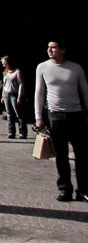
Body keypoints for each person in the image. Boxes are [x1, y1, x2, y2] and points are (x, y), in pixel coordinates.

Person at [34, 40, 88, 202]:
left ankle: (83, 190)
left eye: (53, 47)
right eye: (48, 47)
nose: (49, 50)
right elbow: (39, 92)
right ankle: (65, 189)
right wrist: (38, 117)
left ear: (63, 50)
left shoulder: (75, 68)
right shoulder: (42, 67)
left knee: (82, 154)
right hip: (55, 115)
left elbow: (84, 91)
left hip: (76, 114)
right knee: (61, 155)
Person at [0, 55, 27, 140]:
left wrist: (20, 96)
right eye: (3, 63)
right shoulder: (6, 72)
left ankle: (22, 132)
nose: (4, 65)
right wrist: (2, 96)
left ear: (9, 63)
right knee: (9, 114)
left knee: (19, 114)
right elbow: (4, 85)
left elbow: (21, 84)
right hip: (7, 94)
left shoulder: (17, 72)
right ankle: (11, 131)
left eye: (5, 63)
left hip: (14, 94)